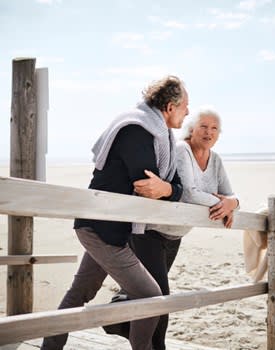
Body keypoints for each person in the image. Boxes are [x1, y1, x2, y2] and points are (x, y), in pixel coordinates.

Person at [40, 75, 189, 350]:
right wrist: (169, 188)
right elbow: (146, 185)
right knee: (150, 297)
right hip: (100, 228)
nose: (188, 112)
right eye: (185, 107)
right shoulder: (137, 130)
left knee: (80, 292)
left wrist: (168, 188)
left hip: (110, 230)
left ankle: (50, 347)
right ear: (169, 107)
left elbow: (172, 185)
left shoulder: (160, 136)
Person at [104, 106, 239, 349]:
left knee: (145, 293)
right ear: (192, 129)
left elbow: (229, 195)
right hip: (150, 231)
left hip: (175, 235)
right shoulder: (181, 149)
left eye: (214, 128)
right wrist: (221, 202)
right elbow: (187, 193)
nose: (209, 132)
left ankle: (118, 321)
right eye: (203, 127)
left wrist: (233, 203)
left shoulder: (215, 159)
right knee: (160, 299)